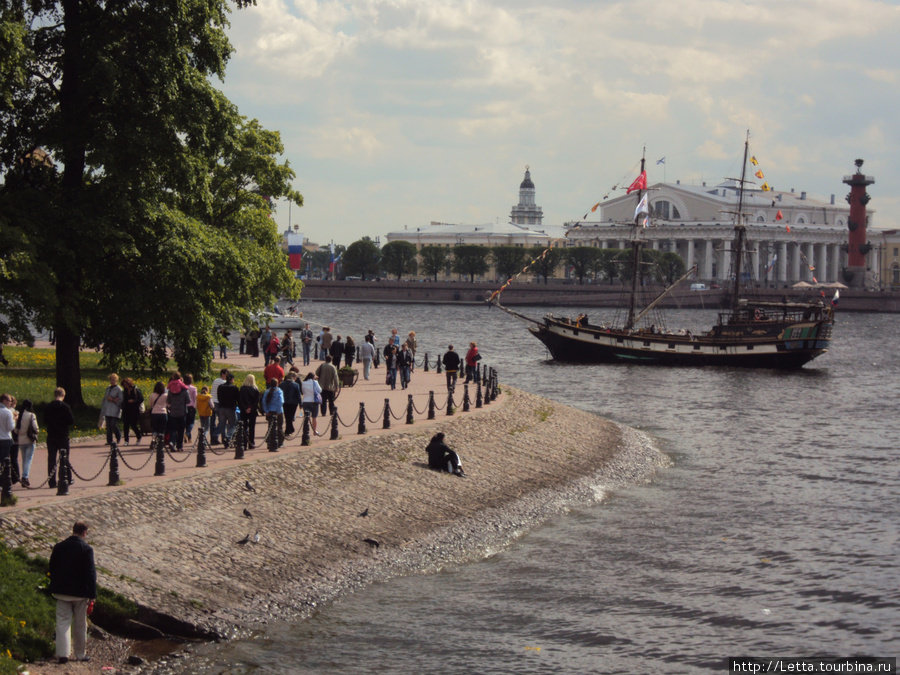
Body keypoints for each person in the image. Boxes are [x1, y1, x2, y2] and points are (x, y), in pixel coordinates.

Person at [49, 521, 96, 664]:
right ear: (84, 532)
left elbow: (52, 566)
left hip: (62, 590)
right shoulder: (86, 549)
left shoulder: (59, 547)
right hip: (80, 592)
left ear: (73, 530)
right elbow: (90, 573)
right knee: (80, 624)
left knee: (63, 622)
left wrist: (55, 582)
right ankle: (80, 654)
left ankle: (63, 654)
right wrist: (92, 595)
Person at [44, 388, 74, 489]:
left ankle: (52, 482)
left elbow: (45, 420)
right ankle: (66, 478)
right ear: (63, 395)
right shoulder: (66, 407)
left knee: (52, 459)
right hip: (63, 435)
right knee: (65, 458)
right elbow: (71, 421)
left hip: (51, 435)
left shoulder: (49, 406)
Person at [14, 399, 38, 488]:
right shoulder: (31, 415)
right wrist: (37, 432)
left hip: (21, 440)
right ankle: (25, 477)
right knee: (28, 459)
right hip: (29, 439)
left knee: (24, 459)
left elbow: (16, 430)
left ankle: (24, 475)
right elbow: (35, 428)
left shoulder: (19, 416)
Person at [166, 372, 190, 451]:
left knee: (172, 429)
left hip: (173, 412)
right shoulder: (184, 390)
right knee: (181, 430)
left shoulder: (170, 390)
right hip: (182, 412)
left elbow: (168, 401)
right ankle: (179, 446)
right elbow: (188, 401)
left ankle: (172, 442)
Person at [216, 373, 240, 447]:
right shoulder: (234, 388)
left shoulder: (220, 387)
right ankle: (228, 437)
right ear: (232, 379)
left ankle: (224, 439)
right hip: (230, 408)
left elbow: (218, 397)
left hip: (222, 407)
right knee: (233, 424)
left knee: (222, 425)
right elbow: (238, 398)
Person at [261, 378, 285, 448]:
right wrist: (278, 411)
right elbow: (281, 401)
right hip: (278, 412)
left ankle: (269, 442)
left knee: (270, 427)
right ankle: (280, 442)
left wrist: (266, 411)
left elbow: (263, 401)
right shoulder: (279, 391)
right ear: (277, 384)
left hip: (270, 411)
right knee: (279, 427)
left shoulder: (267, 391)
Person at [100, 373, 123, 446]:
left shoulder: (119, 389)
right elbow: (105, 398)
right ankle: (109, 440)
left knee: (113, 424)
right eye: (111, 380)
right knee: (108, 426)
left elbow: (121, 400)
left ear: (116, 380)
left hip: (115, 409)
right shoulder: (108, 388)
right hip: (107, 409)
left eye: (113, 380)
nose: (112, 381)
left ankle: (118, 436)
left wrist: (113, 400)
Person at [120, 378, 144, 446]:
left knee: (133, 425)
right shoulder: (124, 391)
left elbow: (141, 399)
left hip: (134, 410)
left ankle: (139, 436)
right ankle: (126, 440)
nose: (125, 386)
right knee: (126, 425)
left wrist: (133, 401)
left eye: (126, 384)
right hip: (126, 410)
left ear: (129, 383)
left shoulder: (136, 390)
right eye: (124, 385)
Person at [238, 375, 260, 447]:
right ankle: (251, 442)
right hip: (252, 410)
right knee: (252, 427)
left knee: (243, 427)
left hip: (244, 410)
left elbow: (240, 400)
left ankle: (244, 442)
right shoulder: (255, 389)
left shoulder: (242, 389)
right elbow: (256, 401)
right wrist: (251, 408)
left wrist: (245, 408)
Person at [0, 394, 15, 495]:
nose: (10, 403)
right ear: (4, 401)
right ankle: (4, 482)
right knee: (5, 462)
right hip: (5, 438)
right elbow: (10, 427)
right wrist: (15, 420)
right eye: (9, 401)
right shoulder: (7, 412)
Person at [209, 368, 228, 445]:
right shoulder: (224, 382)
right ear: (223, 374)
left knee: (212, 422)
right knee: (222, 421)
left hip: (211, 402)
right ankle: (215, 435)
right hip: (218, 403)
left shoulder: (215, 380)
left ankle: (213, 439)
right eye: (226, 375)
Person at [183, 373, 198, 443]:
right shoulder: (193, 388)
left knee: (186, 423)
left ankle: (189, 438)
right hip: (192, 407)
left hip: (184, 406)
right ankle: (187, 433)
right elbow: (195, 398)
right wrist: (196, 406)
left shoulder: (182, 388)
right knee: (191, 423)